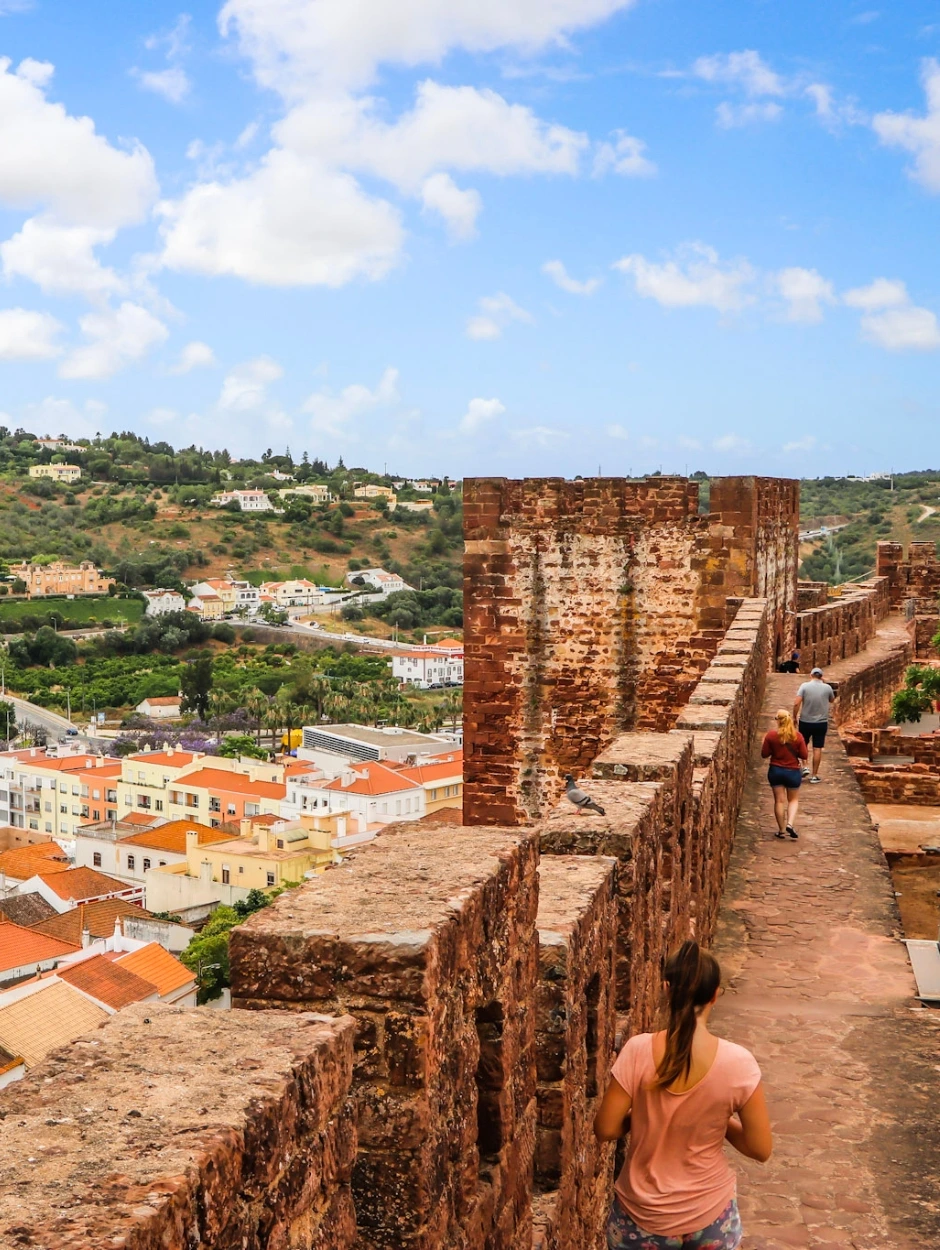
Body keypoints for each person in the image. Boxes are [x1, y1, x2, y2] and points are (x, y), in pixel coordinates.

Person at [594, 941, 772, 1250]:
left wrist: (644, 1115)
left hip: (641, 1217)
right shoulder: (738, 1063)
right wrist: (720, 1121)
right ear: (715, 994)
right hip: (710, 1217)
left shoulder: (638, 1051)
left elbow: (606, 1128)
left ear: (666, 988)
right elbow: (760, 1148)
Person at [761, 709, 807, 839]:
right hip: (792, 772)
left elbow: (764, 754)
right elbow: (804, 755)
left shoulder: (771, 736)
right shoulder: (797, 736)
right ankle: (790, 824)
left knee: (779, 801)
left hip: (776, 771)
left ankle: (781, 830)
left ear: (778, 721)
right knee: (793, 800)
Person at [793, 667, 836, 783]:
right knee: (817, 748)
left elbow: (797, 703)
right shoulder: (827, 688)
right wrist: (825, 684)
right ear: (821, 676)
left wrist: (794, 717)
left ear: (811, 675)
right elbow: (832, 700)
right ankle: (814, 775)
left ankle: (805, 766)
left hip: (805, 721)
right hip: (821, 723)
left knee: (803, 744)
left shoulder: (804, 686)